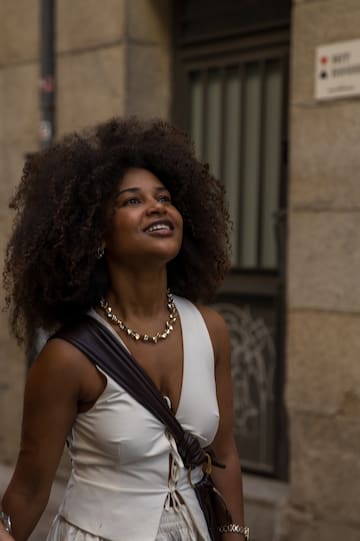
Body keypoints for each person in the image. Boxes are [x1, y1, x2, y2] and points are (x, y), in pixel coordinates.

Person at [0, 117, 248, 541]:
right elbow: (27, 491)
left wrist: (236, 534)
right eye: (132, 201)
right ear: (95, 233)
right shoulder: (68, 357)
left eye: (165, 198)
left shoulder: (210, 330)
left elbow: (222, 455)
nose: (158, 207)